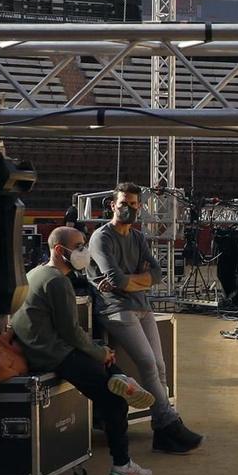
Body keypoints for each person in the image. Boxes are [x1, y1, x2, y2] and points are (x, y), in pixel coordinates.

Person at [10, 226, 153, 475]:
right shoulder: (57, 281)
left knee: (104, 359)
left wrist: (98, 352)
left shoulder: (35, 273)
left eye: (84, 245)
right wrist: (98, 353)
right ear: (58, 250)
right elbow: (71, 333)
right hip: (54, 356)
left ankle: (119, 377)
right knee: (116, 403)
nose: (84, 251)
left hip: (42, 349)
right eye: (78, 247)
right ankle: (122, 467)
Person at [88, 182, 202, 454]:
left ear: (140, 207)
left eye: (134, 204)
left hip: (140, 305)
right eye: (123, 203)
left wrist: (132, 282)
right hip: (116, 309)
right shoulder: (101, 237)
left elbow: (157, 274)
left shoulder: (137, 237)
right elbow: (117, 280)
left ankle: (163, 429)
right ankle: (168, 425)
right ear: (112, 205)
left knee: (160, 366)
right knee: (149, 364)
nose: (128, 208)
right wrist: (138, 280)